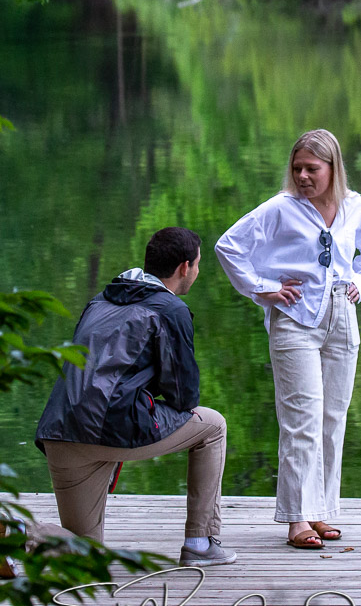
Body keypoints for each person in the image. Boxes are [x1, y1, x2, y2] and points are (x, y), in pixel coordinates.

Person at [215, 129, 361, 550]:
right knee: (301, 418)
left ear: (333, 168)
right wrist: (262, 288)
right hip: (295, 317)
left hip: (342, 315)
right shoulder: (280, 208)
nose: (304, 176)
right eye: (297, 168)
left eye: (312, 168)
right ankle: (296, 519)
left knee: (333, 417)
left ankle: (322, 511)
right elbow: (228, 246)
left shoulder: (355, 208)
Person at [32, 227, 236, 568]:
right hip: (108, 430)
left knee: (86, 549)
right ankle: (201, 543)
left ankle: (23, 533)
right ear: (185, 267)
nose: (197, 272)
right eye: (199, 265)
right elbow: (184, 396)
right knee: (213, 425)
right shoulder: (170, 310)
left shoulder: (100, 300)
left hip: (60, 432)